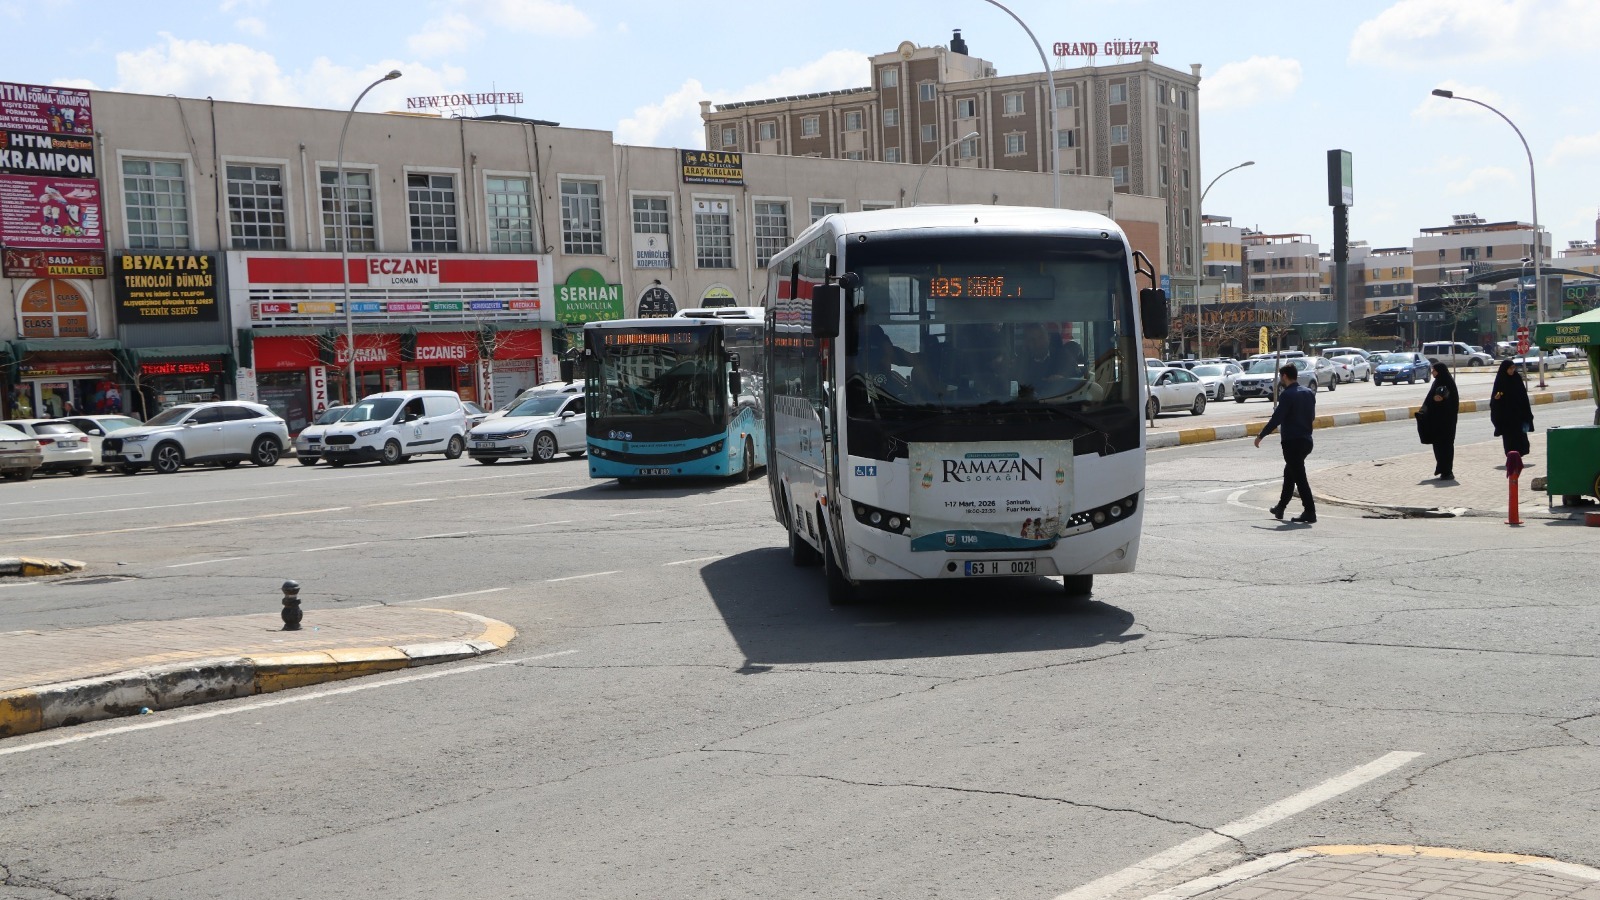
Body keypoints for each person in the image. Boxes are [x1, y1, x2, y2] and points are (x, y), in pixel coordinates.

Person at [1254, 363, 1318, 524]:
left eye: (1280, 377)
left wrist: (1261, 435)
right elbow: (1312, 416)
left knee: (1300, 478)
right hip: (1306, 441)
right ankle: (1280, 508)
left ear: (1284, 376)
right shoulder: (1309, 393)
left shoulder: (1287, 395)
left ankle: (1310, 511)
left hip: (1292, 443)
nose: (1280, 380)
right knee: (1290, 474)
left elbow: (1277, 419)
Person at [1419, 361, 1459, 480]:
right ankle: (1442, 468)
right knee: (1437, 446)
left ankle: (1448, 471)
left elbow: (1453, 403)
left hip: (1447, 422)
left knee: (1446, 445)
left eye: (1434, 370)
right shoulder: (1436, 382)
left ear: (1439, 371)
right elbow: (1429, 400)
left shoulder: (1449, 383)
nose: (1432, 372)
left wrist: (1443, 400)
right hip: (1436, 421)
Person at [1489, 359, 1534, 458]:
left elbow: (1523, 396)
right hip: (1506, 417)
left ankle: (1519, 456)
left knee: (1520, 437)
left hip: (1518, 414)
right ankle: (1511, 457)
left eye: (1513, 368)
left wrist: (1526, 413)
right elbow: (1496, 395)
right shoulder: (1501, 380)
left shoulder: (1516, 378)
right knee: (1509, 439)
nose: (1512, 370)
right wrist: (1497, 398)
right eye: (1510, 368)